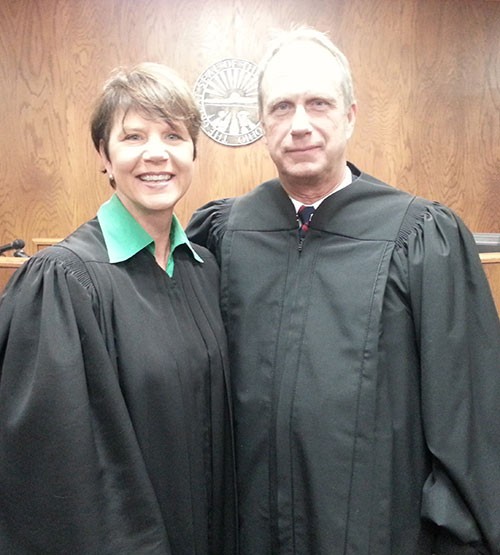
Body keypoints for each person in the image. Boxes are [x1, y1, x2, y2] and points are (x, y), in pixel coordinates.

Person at [187, 27, 500, 555]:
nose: (300, 125)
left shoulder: (421, 235)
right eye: (282, 107)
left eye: (319, 104)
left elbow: (467, 418)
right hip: (249, 530)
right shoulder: (226, 232)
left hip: (378, 532)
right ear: (262, 123)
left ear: (350, 115)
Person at [0, 62, 236, 554]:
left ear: (194, 151)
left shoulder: (204, 270)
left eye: (173, 135)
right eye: (132, 137)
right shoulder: (64, 285)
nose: (156, 154)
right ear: (104, 156)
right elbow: (61, 477)